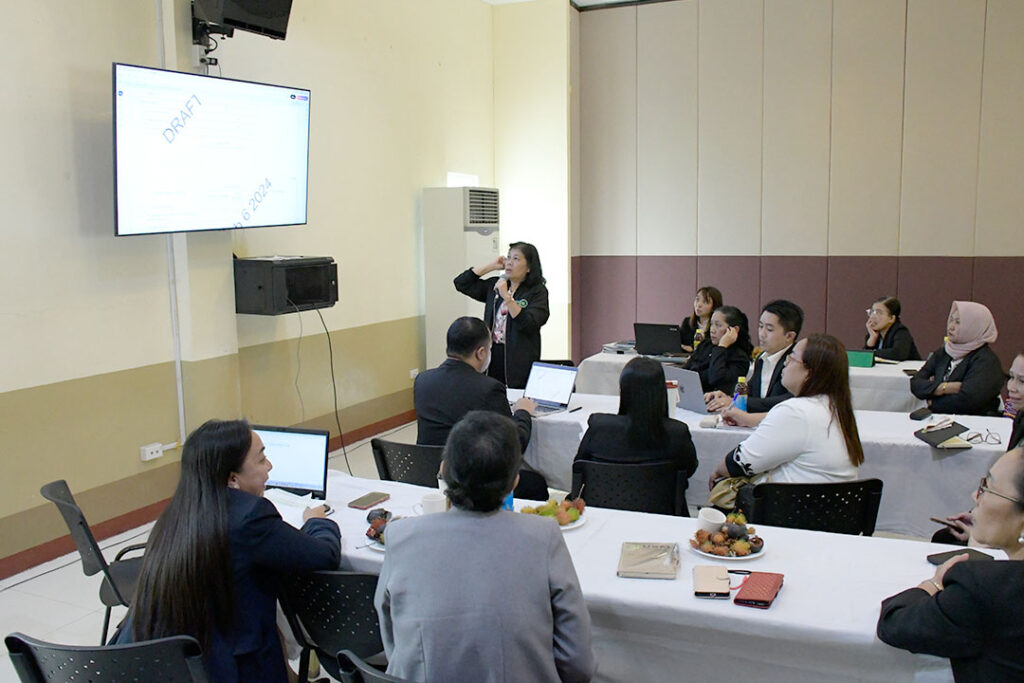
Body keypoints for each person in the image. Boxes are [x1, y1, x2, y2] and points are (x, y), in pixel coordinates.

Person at [375, 411, 597, 683]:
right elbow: (578, 662)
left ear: (443, 470)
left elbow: (394, 642)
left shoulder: (400, 537)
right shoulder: (543, 537)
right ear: (515, 481)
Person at [117, 419, 340, 683]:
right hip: (232, 668)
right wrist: (318, 522)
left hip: (170, 665)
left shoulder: (176, 513)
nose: (270, 466)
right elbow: (323, 555)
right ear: (233, 478)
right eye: (261, 459)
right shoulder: (250, 516)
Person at [876, 447, 1024, 681]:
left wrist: (934, 584)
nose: (975, 496)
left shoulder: (984, 588)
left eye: (987, 488)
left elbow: (895, 624)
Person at [415, 316, 548, 500]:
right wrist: (523, 411)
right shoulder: (488, 388)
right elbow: (515, 443)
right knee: (536, 484)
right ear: (481, 353)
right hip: (472, 479)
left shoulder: (422, 380)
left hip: (426, 472)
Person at [708, 334, 864, 486]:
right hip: (829, 501)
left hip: (789, 501)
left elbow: (739, 462)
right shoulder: (834, 407)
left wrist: (717, 473)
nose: (785, 363)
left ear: (809, 372)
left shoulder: (795, 411)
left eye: (792, 358)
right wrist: (749, 419)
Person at [573, 356, 698, 514]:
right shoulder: (677, 433)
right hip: (662, 516)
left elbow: (579, 465)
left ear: (623, 390)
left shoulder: (599, 427)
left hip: (602, 513)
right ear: (662, 392)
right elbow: (689, 469)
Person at [932, 350, 1024, 545]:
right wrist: (978, 517)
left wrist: (983, 532)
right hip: (1008, 526)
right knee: (944, 537)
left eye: (1022, 381)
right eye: (1011, 378)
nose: (1011, 387)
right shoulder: (1021, 418)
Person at [454, 242, 550, 389]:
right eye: (508, 257)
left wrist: (507, 297)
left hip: (519, 358)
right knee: (491, 392)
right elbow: (461, 283)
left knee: (515, 395)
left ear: (529, 267)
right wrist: (491, 266)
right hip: (492, 354)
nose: (509, 262)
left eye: (516, 259)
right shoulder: (496, 285)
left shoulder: (537, 291)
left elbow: (528, 324)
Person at [703, 299, 804, 424]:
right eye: (761, 326)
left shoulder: (796, 362)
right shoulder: (762, 358)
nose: (762, 334)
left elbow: (787, 400)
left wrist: (733, 401)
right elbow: (748, 390)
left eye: (769, 329)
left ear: (789, 336)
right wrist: (729, 397)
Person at [910, 301, 1004, 415]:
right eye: (951, 320)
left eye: (958, 322)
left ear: (974, 327)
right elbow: (916, 383)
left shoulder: (986, 361)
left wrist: (932, 402)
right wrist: (945, 388)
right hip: (941, 417)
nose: (951, 326)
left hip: (974, 421)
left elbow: (967, 400)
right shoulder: (945, 352)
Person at [684, 305, 753, 394]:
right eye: (711, 324)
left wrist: (722, 347)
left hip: (713, 399)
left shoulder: (739, 358)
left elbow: (716, 378)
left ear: (734, 330)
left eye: (718, 325)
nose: (712, 330)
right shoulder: (705, 345)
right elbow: (686, 371)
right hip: (690, 393)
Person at [863, 296, 921, 361]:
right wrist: (872, 340)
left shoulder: (900, 331)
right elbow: (864, 357)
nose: (872, 316)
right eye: (872, 312)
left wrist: (872, 353)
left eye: (878, 313)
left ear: (892, 318)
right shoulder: (874, 334)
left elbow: (898, 353)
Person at [680, 286, 722, 353]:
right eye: (697, 299)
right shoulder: (687, 322)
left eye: (705, 302)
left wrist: (693, 349)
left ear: (714, 307)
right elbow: (681, 344)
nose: (699, 305)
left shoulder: (718, 326)